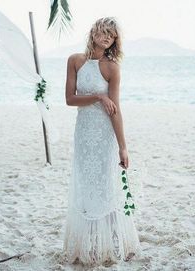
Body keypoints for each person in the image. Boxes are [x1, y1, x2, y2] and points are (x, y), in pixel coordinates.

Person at [62, 17, 142, 267]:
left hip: (104, 135)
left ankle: (109, 245)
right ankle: (87, 245)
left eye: (112, 34)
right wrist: (98, 96)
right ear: (94, 32)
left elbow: (115, 109)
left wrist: (123, 146)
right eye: (104, 31)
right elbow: (69, 99)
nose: (108, 36)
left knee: (106, 186)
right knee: (86, 186)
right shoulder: (75, 60)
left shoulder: (112, 67)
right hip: (84, 134)